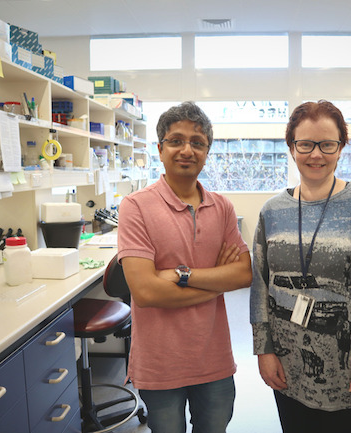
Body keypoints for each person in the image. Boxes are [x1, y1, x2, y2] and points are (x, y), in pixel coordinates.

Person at [250, 100, 351, 433]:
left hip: (349, 367)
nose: (316, 154)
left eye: (327, 144)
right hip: (288, 364)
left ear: (341, 147)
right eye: (306, 144)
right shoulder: (272, 211)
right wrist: (265, 350)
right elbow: (260, 284)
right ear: (291, 147)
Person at [117, 101, 252, 433]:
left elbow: (245, 274)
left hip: (215, 359)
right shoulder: (135, 207)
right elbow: (146, 292)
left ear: (207, 152)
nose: (187, 150)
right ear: (160, 149)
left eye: (198, 142)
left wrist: (181, 276)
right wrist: (219, 281)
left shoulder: (222, 208)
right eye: (176, 141)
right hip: (160, 362)